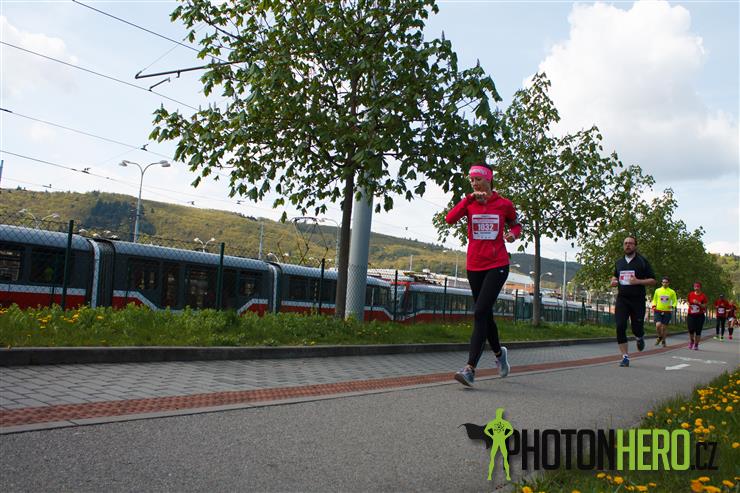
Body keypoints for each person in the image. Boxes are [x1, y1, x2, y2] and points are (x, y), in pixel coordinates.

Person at [445, 162, 521, 387]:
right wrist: (468, 199)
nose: (474, 183)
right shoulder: (469, 203)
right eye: (471, 180)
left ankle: (470, 369)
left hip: (497, 264)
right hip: (474, 265)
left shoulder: (504, 204)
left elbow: (516, 224)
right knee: (485, 315)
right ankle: (499, 354)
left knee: (479, 312)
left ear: (488, 179)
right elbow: (449, 219)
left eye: (478, 179)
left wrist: (513, 235)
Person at [610, 236, 656, 367]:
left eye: (630, 243)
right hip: (622, 299)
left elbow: (653, 280)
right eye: (625, 243)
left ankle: (639, 337)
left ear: (635, 246)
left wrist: (638, 281)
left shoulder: (642, 262)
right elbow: (615, 276)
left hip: (637, 300)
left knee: (637, 328)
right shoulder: (619, 262)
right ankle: (625, 357)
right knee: (620, 326)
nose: (628, 245)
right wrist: (613, 281)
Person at [651, 275, 677, 347]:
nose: (664, 283)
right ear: (661, 283)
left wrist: (672, 306)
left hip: (667, 311)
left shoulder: (672, 292)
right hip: (658, 310)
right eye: (663, 282)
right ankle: (660, 337)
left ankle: (663, 341)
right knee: (658, 325)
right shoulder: (657, 290)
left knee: (664, 328)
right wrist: (654, 305)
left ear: (668, 283)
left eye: (666, 282)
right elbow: (654, 299)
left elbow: (675, 301)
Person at [686, 282, 708, 350]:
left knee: (698, 331)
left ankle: (696, 344)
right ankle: (692, 341)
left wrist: (698, 303)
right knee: (691, 330)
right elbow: (687, 301)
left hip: (699, 316)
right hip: (691, 315)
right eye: (695, 287)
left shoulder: (703, 296)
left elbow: (705, 306)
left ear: (700, 287)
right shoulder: (690, 294)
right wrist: (689, 305)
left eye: (697, 287)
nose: (696, 288)